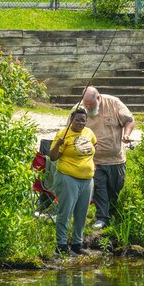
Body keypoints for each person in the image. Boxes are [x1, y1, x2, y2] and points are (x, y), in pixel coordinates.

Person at [80, 86, 134, 230]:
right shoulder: (79, 108)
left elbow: (129, 120)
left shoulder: (114, 103)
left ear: (98, 98)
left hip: (116, 159)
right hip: (93, 159)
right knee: (99, 187)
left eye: (90, 105)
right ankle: (102, 217)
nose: (87, 107)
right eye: (86, 104)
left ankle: (112, 212)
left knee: (115, 187)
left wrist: (126, 134)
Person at [49, 106, 96, 256]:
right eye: (77, 120)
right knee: (66, 212)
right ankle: (61, 246)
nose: (81, 123)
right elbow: (53, 157)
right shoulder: (63, 134)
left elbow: (94, 145)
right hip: (68, 178)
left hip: (87, 180)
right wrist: (58, 144)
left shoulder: (89, 133)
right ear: (71, 120)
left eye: (83, 120)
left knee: (82, 213)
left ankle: (77, 244)